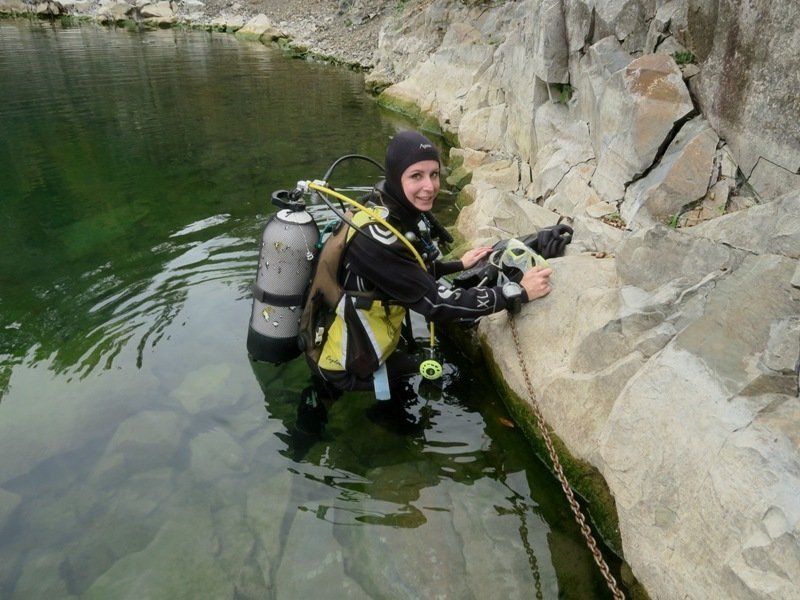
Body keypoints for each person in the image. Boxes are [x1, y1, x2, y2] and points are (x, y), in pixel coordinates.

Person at [297, 130, 552, 435]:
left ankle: (346, 410)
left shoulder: (382, 211)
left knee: (406, 376)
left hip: (351, 338)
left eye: (434, 174)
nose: (429, 186)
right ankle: (342, 423)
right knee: (412, 390)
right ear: (396, 177)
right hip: (340, 362)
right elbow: (437, 304)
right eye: (416, 176)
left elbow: (405, 272)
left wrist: (459, 264)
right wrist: (516, 291)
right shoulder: (376, 241)